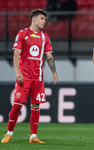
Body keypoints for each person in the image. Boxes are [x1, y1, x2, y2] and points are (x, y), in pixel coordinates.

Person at [1, 9, 58, 143]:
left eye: (45, 19)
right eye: (42, 18)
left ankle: (33, 136)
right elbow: (16, 54)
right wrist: (18, 72)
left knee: (36, 106)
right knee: (17, 105)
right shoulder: (22, 33)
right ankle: (9, 133)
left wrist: (54, 71)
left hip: (38, 77)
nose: (44, 21)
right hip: (24, 76)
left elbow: (49, 55)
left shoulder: (45, 37)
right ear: (34, 19)